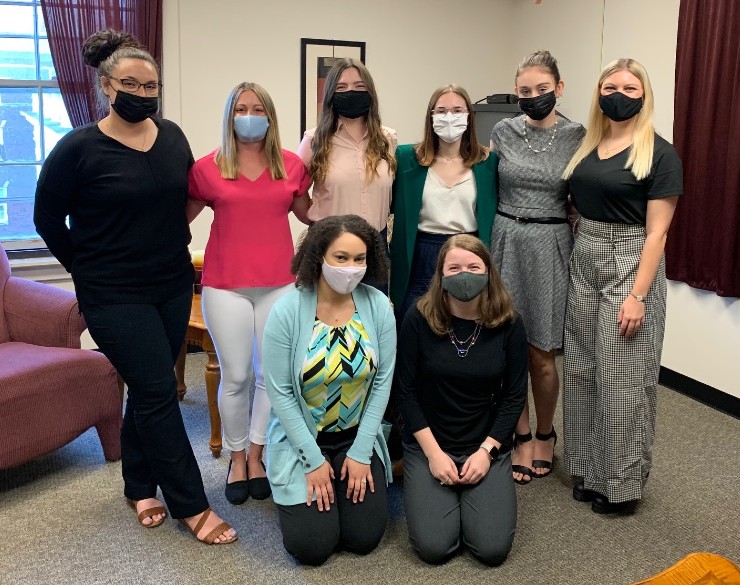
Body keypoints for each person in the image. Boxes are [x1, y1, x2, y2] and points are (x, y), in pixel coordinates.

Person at [33, 29, 236, 544]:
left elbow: (185, 198)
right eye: (132, 84)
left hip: (170, 284)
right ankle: (191, 505)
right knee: (156, 390)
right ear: (106, 85)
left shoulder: (171, 137)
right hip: (112, 294)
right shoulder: (78, 148)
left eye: (152, 86)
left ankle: (138, 483)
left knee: (150, 392)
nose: (143, 95)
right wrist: (84, 267)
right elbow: (47, 218)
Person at [561, 58, 682, 514]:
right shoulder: (590, 144)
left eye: (630, 87)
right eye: (610, 85)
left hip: (630, 262)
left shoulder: (660, 153)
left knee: (623, 376)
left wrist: (638, 296)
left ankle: (621, 484)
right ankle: (590, 470)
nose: (619, 93)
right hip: (585, 254)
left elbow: (657, 233)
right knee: (582, 368)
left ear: (644, 95)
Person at [187, 82, 311, 505]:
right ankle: (236, 457)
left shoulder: (291, 166)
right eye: (241, 108)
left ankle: (257, 455)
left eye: (258, 108)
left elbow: (308, 212)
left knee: (269, 378)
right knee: (236, 375)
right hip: (225, 287)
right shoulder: (207, 169)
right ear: (229, 115)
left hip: (279, 284)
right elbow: (176, 218)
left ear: (270, 116)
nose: (250, 114)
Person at [261, 215, 396, 566]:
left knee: (363, 538)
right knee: (313, 547)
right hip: (302, 439)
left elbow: (382, 382)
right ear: (319, 256)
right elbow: (280, 393)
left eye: (359, 259)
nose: (351, 268)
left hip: (356, 437)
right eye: (341, 258)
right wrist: (312, 459)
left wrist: (362, 451)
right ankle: (306, 487)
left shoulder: (379, 307)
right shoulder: (287, 310)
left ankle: (340, 482)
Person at [395, 234, 527, 566]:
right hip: (429, 442)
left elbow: (514, 397)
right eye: (454, 268)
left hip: (484, 443)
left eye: (473, 266)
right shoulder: (418, 317)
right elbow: (405, 392)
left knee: (492, 550)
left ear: (488, 272)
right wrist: (434, 454)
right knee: (434, 549)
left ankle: (471, 492)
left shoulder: (509, 322)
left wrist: (486, 452)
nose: (464, 274)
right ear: (440, 274)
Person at [489, 50, 586, 485]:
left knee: (542, 354)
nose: (533, 97)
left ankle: (546, 433)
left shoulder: (579, 136)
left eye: (542, 90)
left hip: (550, 244)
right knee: (508, 347)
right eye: (524, 91)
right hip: (505, 239)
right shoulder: (503, 131)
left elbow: (585, 196)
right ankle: (520, 434)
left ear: (559, 88)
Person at [389, 84, 497, 325]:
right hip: (421, 251)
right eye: (441, 111)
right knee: (411, 323)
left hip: (468, 252)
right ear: (431, 116)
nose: (450, 117)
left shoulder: (488, 161)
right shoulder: (407, 158)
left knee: (463, 324)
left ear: (469, 116)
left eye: (458, 110)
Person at [296, 58, 396, 258]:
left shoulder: (388, 139)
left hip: (375, 247)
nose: (351, 92)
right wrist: (315, 220)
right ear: (331, 94)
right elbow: (295, 191)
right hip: (327, 244)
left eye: (359, 86)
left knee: (374, 292)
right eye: (341, 87)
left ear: (370, 92)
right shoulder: (314, 140)